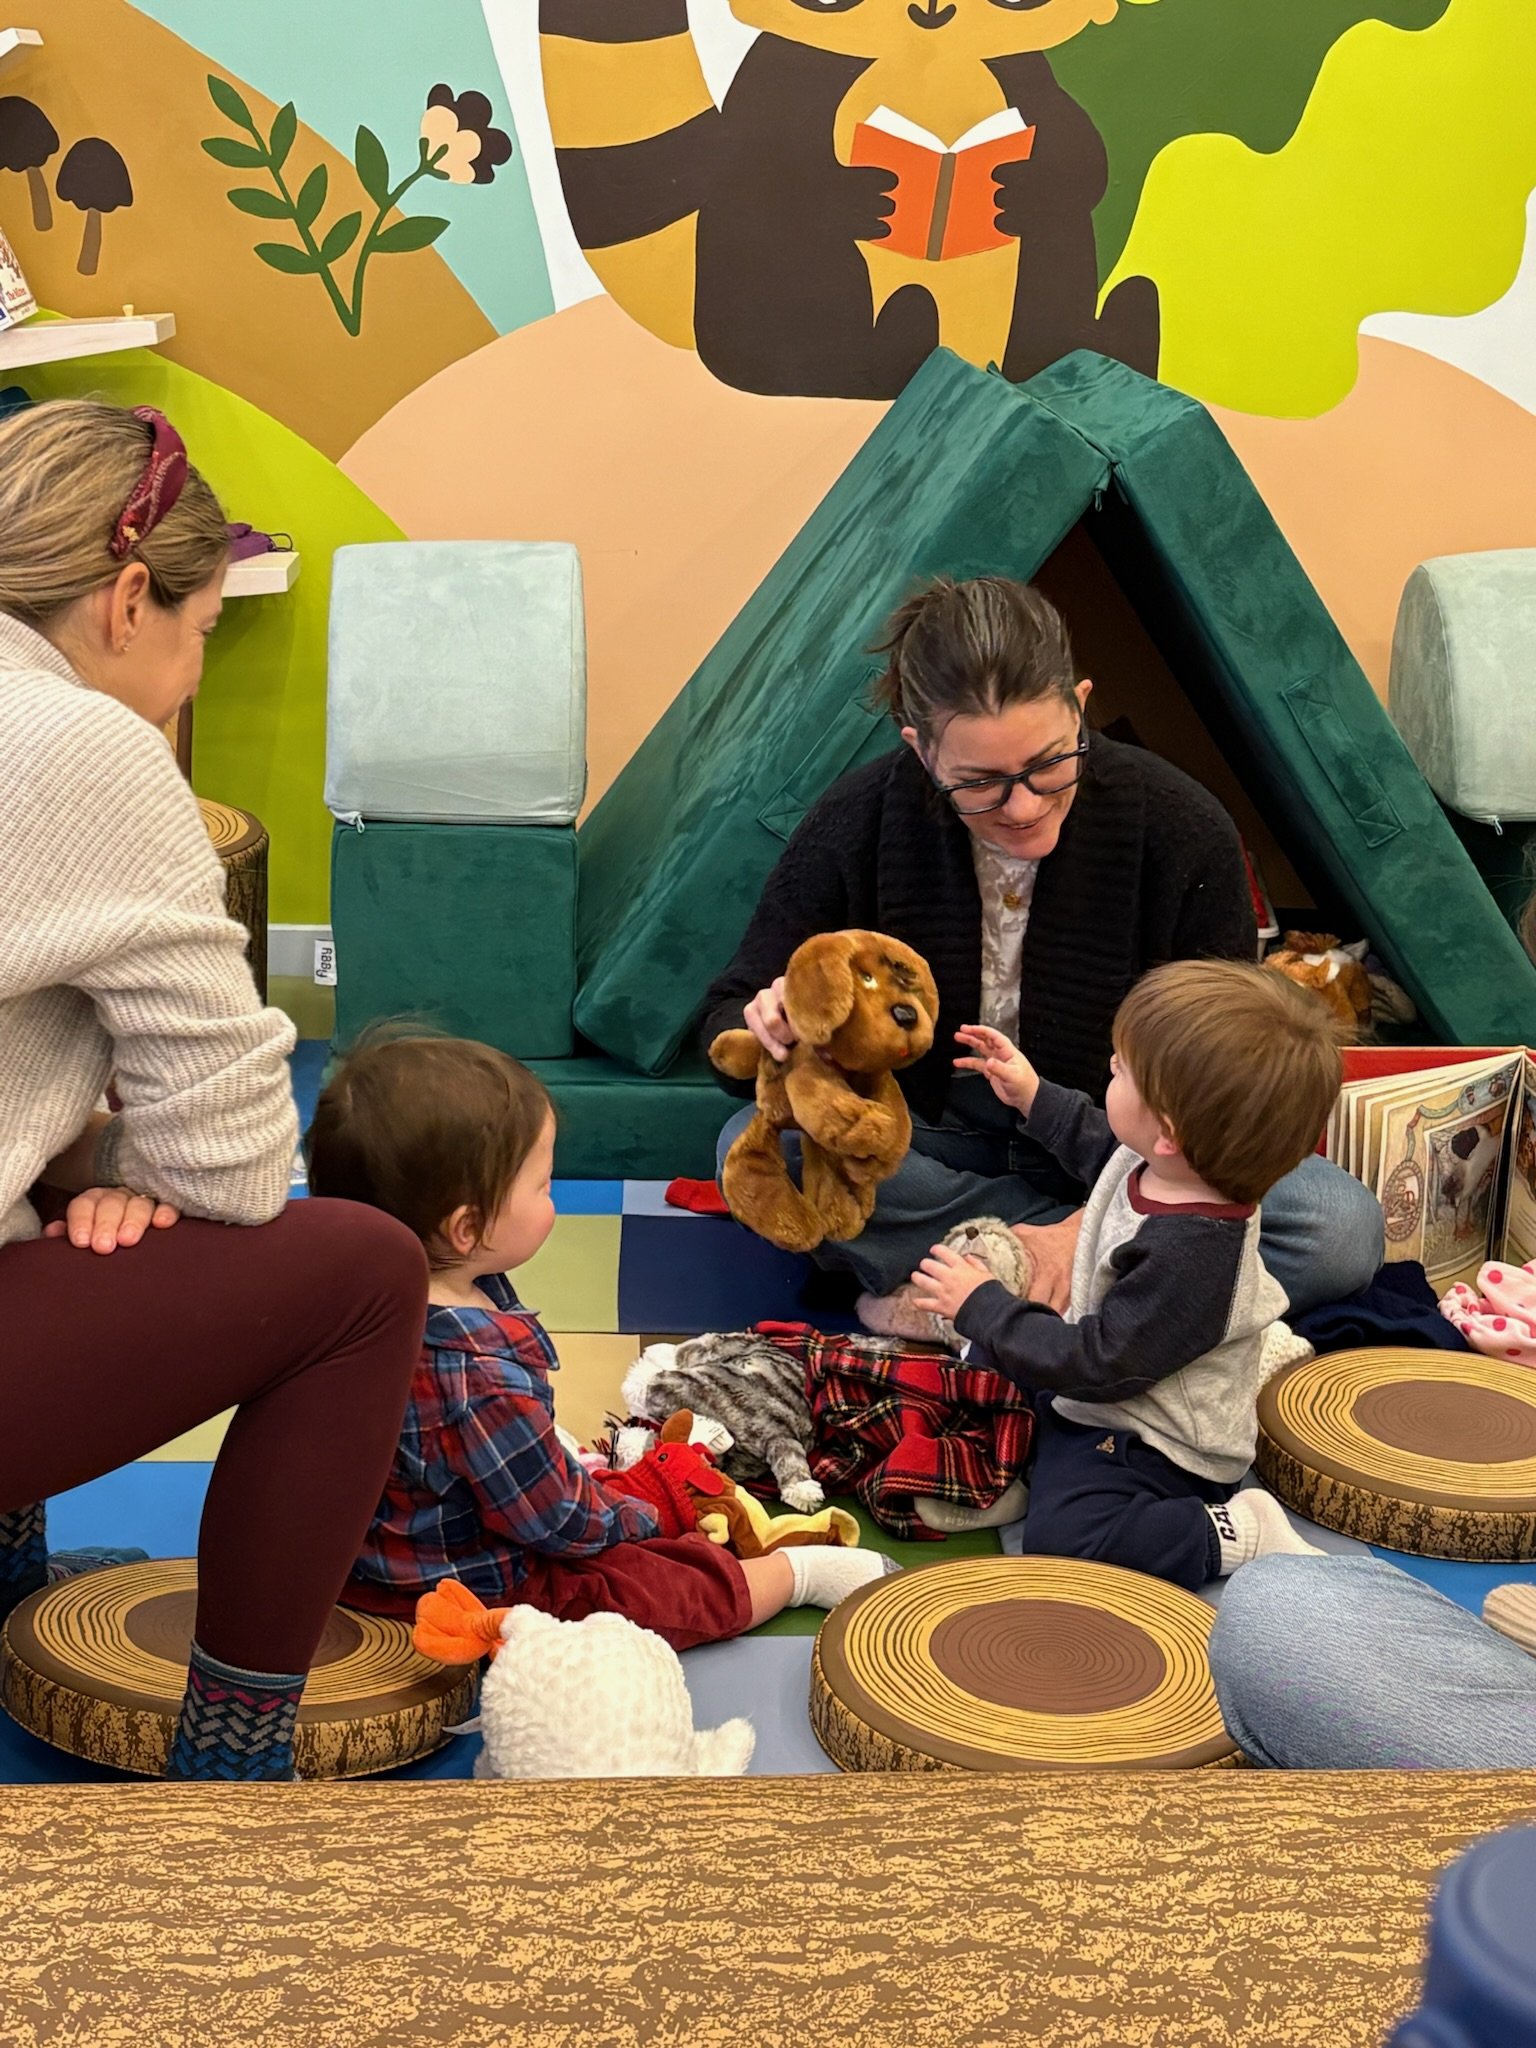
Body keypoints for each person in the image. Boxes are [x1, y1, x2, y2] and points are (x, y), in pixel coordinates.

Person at [0, 399, 429, 1781]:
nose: (191, 676)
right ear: (129, 599)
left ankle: (8, 1597)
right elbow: (237, 1167)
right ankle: (232, 1769)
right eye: (202, 635)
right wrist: (109, 1174)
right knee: (363, 1272)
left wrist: (67, 1168)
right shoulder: (82, 747)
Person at [703, 576, 1382, 1327]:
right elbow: (725, 1012)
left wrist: (1084, 1225)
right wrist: (766, 1029)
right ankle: (1110, 1286)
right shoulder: (858, 820)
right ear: (923, 754)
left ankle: (976, 1285)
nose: (1024, 806)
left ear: (1082, 704)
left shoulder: (1180, 824)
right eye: (980, 784)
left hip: (1139, 1141)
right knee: (760, 1150)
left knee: (1337, 1229)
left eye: (1050, 764)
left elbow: (1226, 1074)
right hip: (933, 1132)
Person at [306, 1033, 894, 1647]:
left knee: (605, 1490)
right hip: (475, 1584)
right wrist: (639, 1518)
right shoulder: (476, 1379)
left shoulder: (354, 1306)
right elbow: (559, 1523)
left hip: (376, 1557)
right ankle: (794, 1574)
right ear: (467, 1229)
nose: (551, 1197)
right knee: (646, 1592)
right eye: (542, 1185)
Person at [910, 961, 1339, 1588]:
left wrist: (985, 1303)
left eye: (1121, 1068)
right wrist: (1030, 1093)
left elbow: (1097, 1366)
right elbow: (1097, 1144)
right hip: (1105, 1380)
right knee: (980, 1370)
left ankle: (1232, 1531)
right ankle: (1017, 1474)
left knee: (1066, 1544)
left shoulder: (1193, 1253)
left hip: (1155, 1436)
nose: (1109, 1068)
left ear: (1168, 1132)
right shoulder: (1162, 1164)